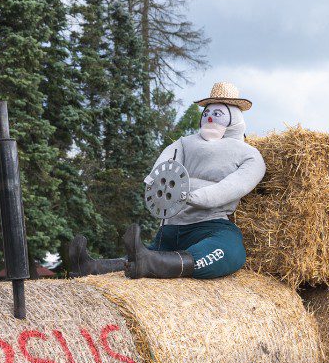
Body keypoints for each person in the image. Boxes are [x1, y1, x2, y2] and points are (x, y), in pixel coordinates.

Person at [70, 82, 266, 280]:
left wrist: (193, 197)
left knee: (159, 253)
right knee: (231, 250)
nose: (209, 117)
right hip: (190, 226)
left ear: (234, 118)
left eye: (218, 113)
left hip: (194, 224)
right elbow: (161, 171)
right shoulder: (184, 142)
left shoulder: (248, 154)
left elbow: (234, 186)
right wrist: (158, 188)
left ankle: (116, 265)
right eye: (207, 112)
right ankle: (90, 266)